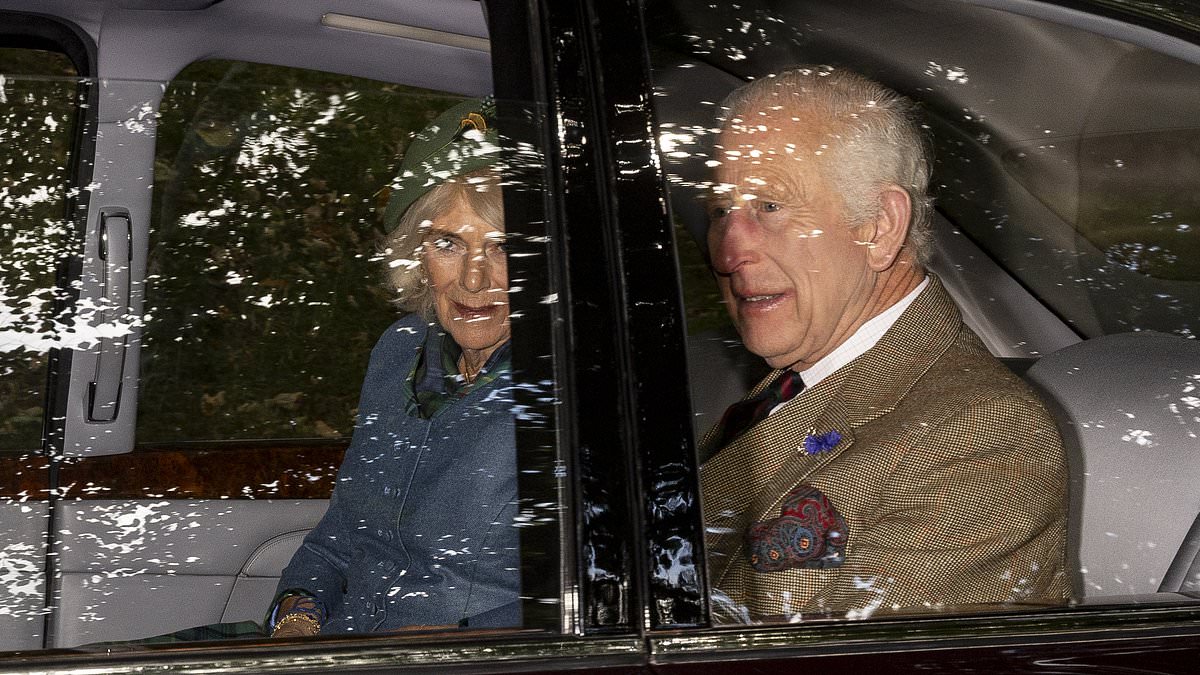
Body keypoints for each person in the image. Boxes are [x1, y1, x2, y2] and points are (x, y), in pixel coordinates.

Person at [698, 68, 1071, 621]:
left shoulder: (982, 434)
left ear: (879, 225)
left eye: (770, 207)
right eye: (719, 212)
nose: (730, 250)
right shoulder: (782, 393)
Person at [268, 98, 519, 637]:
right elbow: (341, 534)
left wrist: (453, 643)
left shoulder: (575, 382)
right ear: (417, 253)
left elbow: (600, 596)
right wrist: (297, 613)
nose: (474, 280)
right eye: (448, 243)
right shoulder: (401, 350)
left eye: (503, 247)